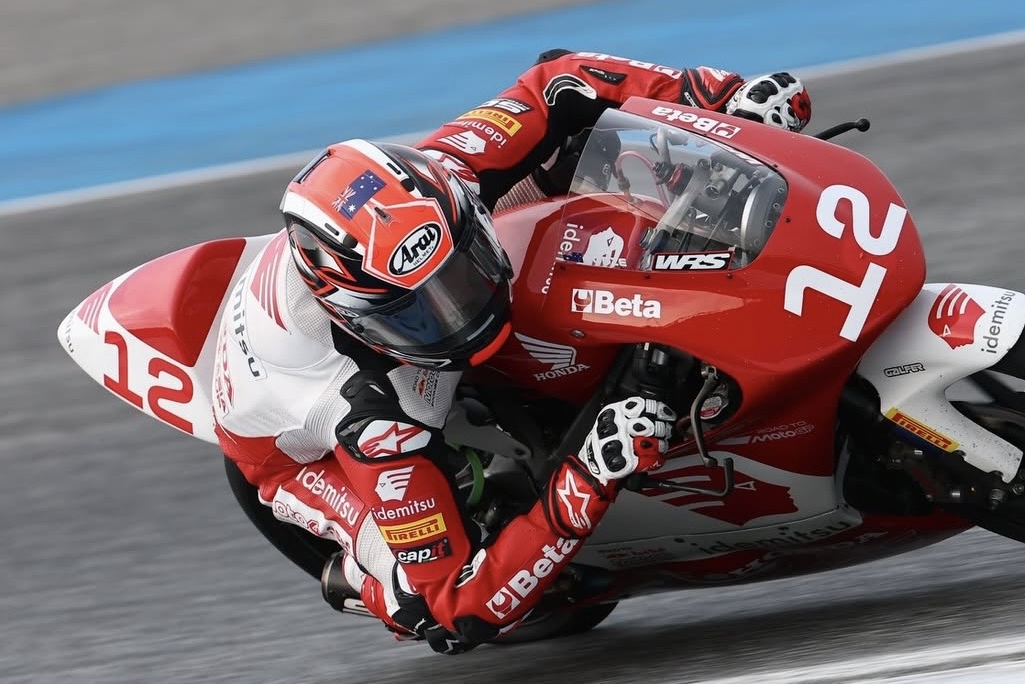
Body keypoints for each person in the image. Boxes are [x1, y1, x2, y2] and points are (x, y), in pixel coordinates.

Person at [212, 49, 812, 654]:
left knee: (575, 154)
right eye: (421, 313)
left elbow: (559, 79)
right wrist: (589, 476)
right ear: (356, 317)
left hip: (385, 300)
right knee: (422, 608)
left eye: (462, 274)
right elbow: (462, 608)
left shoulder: (445, 175)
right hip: (292, 446)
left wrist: (714, 97)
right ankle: (360, 578)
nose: (459, 313)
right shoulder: (373, 420)